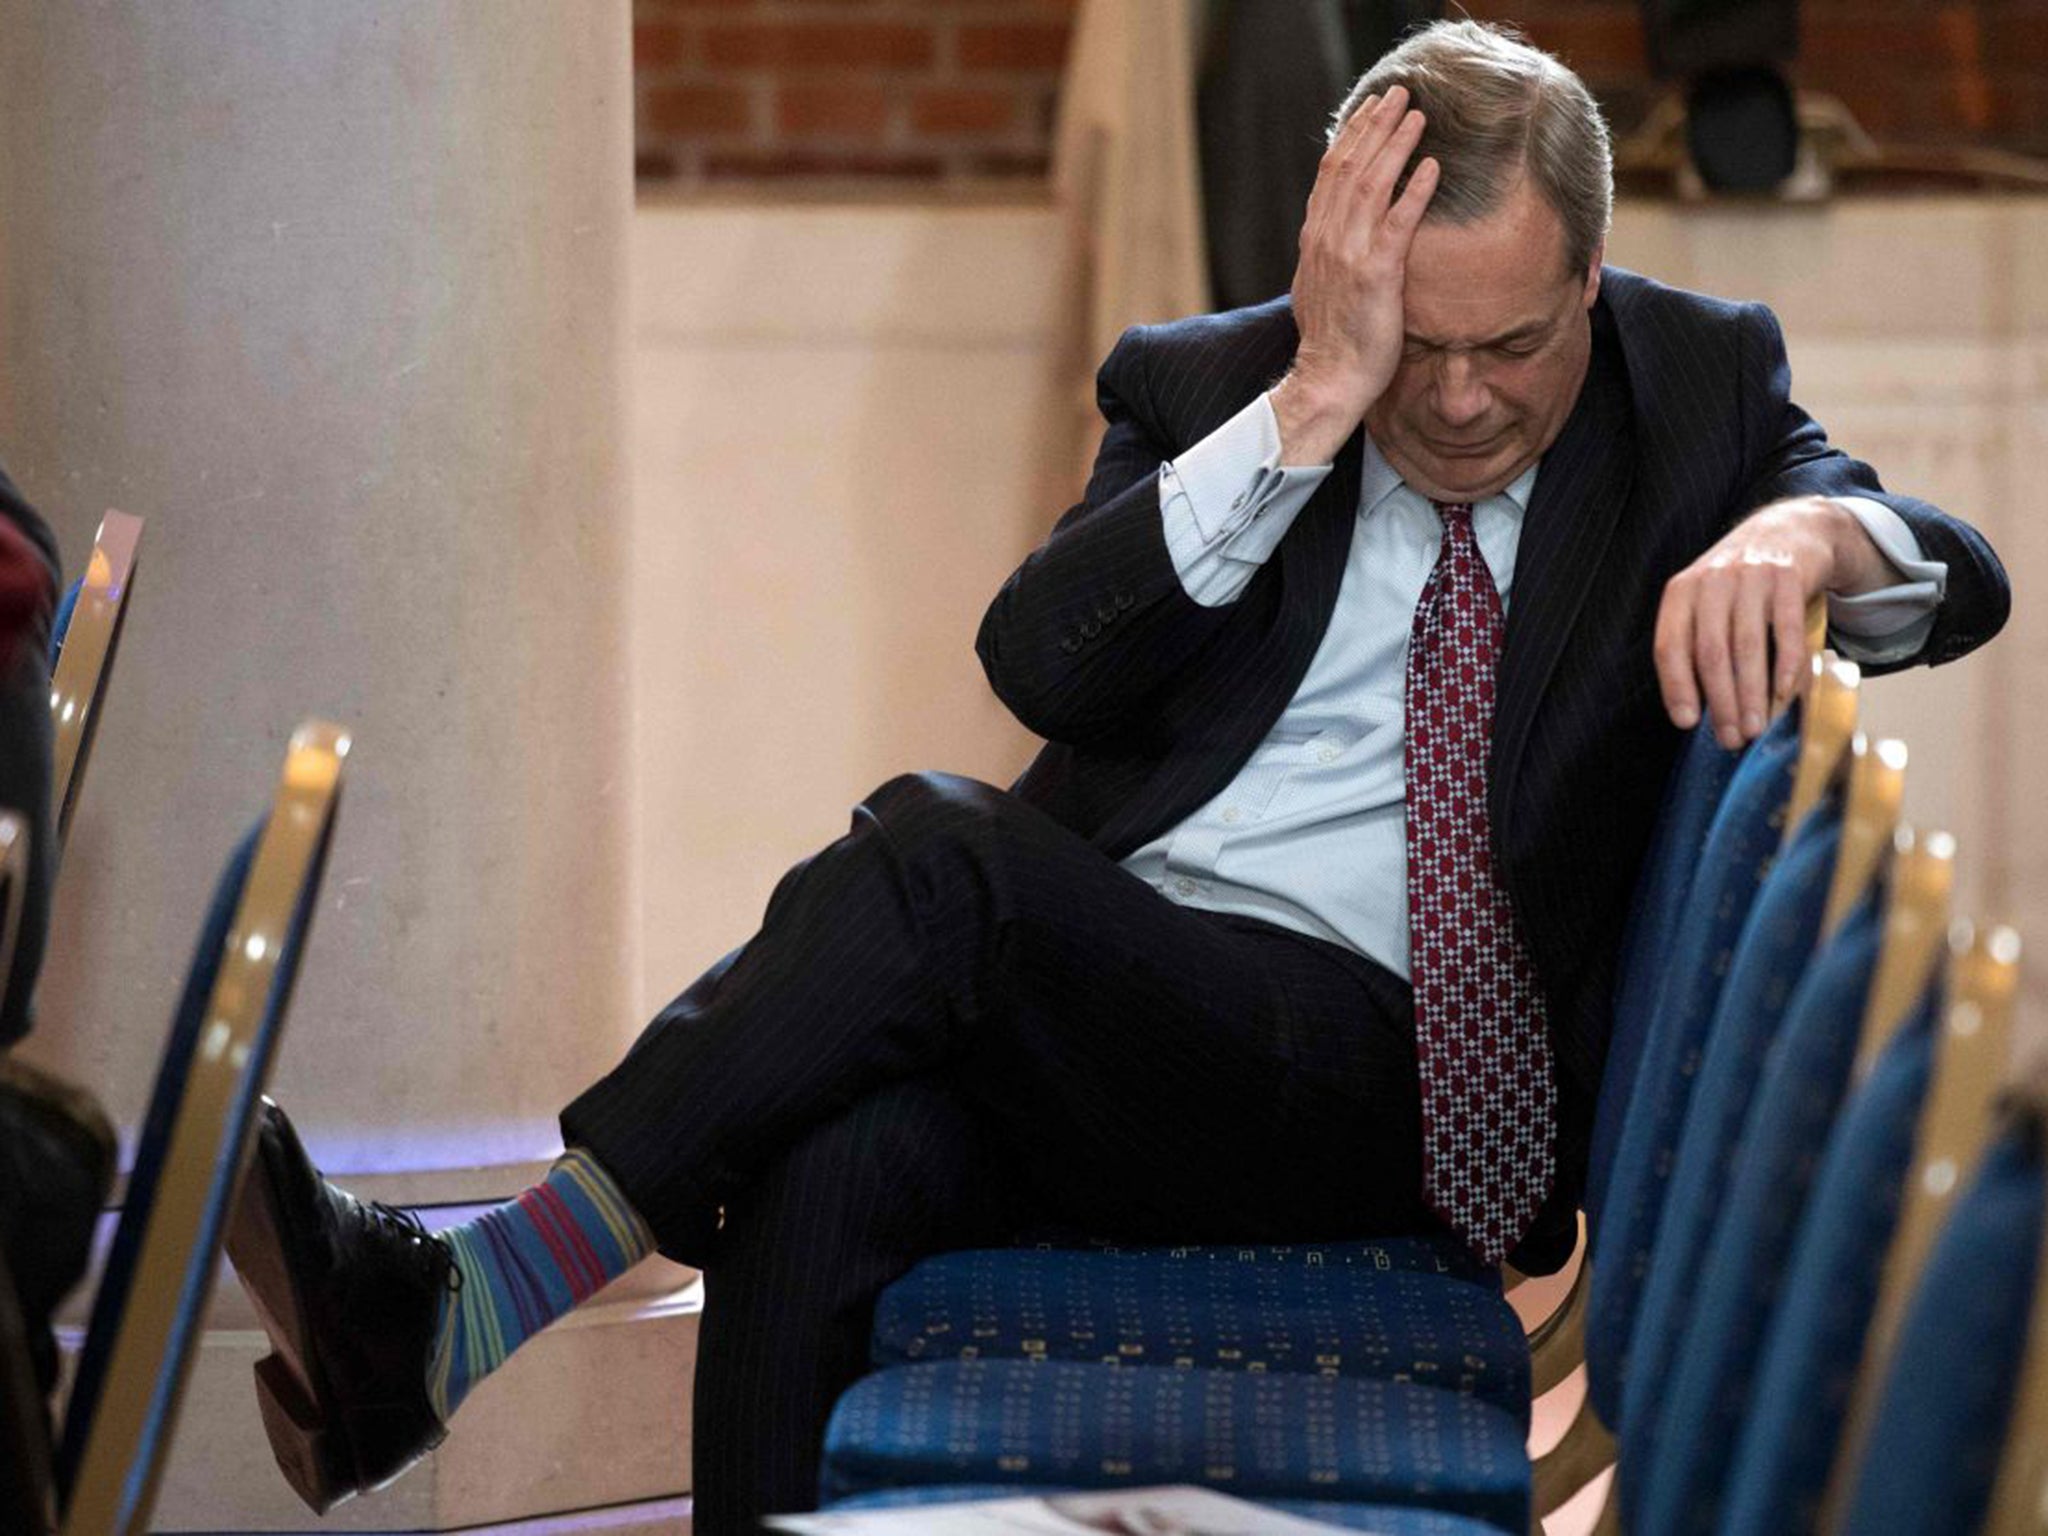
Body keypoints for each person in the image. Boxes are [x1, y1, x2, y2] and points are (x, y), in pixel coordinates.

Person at [223, 19, 2008, 1533]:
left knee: (942, 851)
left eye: (1510, 347)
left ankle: (462, 1303)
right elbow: (1039, 664)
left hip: (1400, 1091)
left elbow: (1956, 563)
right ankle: (434, 1334)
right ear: (1343, 277)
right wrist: (1320, 401)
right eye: (1419, 345)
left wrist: (1806, 543)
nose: (1460, 402)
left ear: (1590, 286)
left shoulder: (1688, 389)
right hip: (1120, 1031)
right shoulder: (1214, 384)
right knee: (816, 1160)